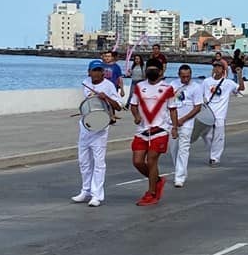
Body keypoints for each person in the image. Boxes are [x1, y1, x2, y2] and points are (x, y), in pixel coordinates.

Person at [73, 60, 123, 207]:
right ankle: (86, 190)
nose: (96, 73)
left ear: (103, 72)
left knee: (99, 162)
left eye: (99, 70)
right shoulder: (85, 82)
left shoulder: (108, 85)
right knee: (84, 161)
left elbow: (119, 106)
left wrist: (106, 97)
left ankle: (97, 195)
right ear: (89, 72)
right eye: (94, 70)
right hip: (86, 125)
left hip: (100, 127)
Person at [129, 58, 178, 206]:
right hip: (142, 130)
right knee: (137, 161)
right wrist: (136, 116)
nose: (151, 72)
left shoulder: (167, 88)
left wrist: (174, 127)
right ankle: (157, 180)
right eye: (148, 69)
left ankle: (151, 193)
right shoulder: (139, 87)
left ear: (161, 72)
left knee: (151, 160)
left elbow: (173, 109)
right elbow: (133, 105)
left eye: (154, 70)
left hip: (160, 130)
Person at [196, 59, 244, 167]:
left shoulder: (228, 83)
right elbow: (199, 94)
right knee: (205, 135)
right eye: (215, 67)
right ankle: (213, 150)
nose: (216, 69)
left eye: (219, 67)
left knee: (218, 136)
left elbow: (241, 88)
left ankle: (214, 158)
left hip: (220, 114)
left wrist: (240, 74)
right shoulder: (206, 81)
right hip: (208, 113)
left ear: (223, 70)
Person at [168, 65, 203, 187]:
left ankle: (179, 177)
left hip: (187, 123)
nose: (186, 79)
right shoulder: (173, 84)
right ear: (179, 75)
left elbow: (198, 107)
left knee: (184, 148)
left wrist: (183, 119)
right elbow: (169, 103)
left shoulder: (196, 87)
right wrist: (174, 122)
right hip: (172, 121)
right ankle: (180, 170)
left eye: (188, 76)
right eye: (183, 77)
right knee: (173, 149)